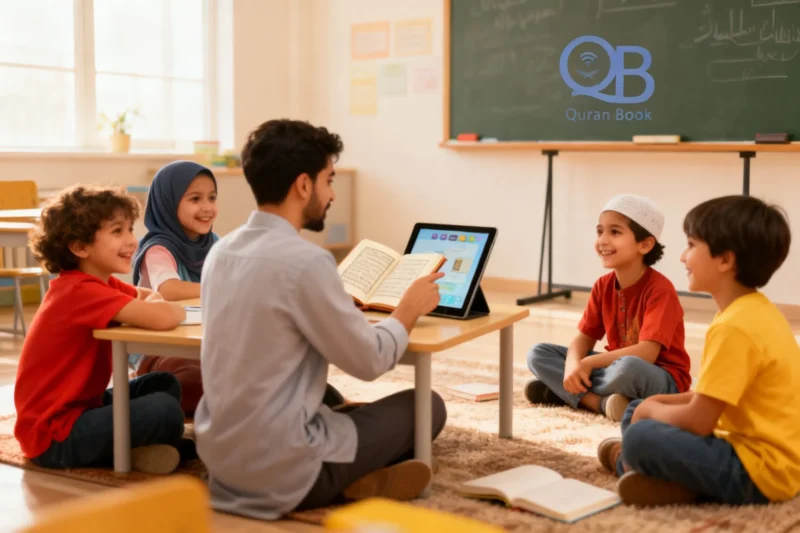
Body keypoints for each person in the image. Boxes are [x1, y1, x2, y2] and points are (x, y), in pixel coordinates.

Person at [195, 119, 447, 520]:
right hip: (283, 471)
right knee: (426, 405)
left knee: (328, 399)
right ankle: (346, 485)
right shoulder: (306, 261)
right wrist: (408, 308)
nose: (331, 193)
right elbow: (369, 362)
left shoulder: (221, 252)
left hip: (222, 462)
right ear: (303, 185)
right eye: (329, 179)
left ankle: (360, 476)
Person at [598, 195, 800, 507]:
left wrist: (652, 412)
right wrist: (652, 403)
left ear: (725, 260)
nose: (682, 256)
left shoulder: (734, 327)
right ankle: (671, 479)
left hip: (760, 472)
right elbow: (711, 397)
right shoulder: (754, 312)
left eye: (691, 245)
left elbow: (698, 422)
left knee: (640, 436)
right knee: (636, 408)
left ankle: (633, 464)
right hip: (765, 455)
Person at [14, 185, 192, 474]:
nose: (132, 241)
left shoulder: (101, 283)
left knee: (163, 383)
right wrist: (167, 309)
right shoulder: (79, 291)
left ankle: (138, 449)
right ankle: (133, 452)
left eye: (129, 229)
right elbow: (163, 316)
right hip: (54, 436)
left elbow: (146, 296)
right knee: (164, 410)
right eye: (117, 231)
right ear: (80, 247)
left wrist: (156, 306)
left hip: (84, 407)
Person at [525, 194, 691, 421]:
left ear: (645, 244)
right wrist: (573, 365)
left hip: (659, 377)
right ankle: (600, 403)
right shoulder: (602, 286)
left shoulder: (661, 290)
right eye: (599, 231)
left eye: (615, 232)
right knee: (538, 353)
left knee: (628, 368)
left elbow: (646, 354)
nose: (603, 240)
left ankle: (566, 393)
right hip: (613, 368)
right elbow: (583, 339)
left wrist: (587, 363)